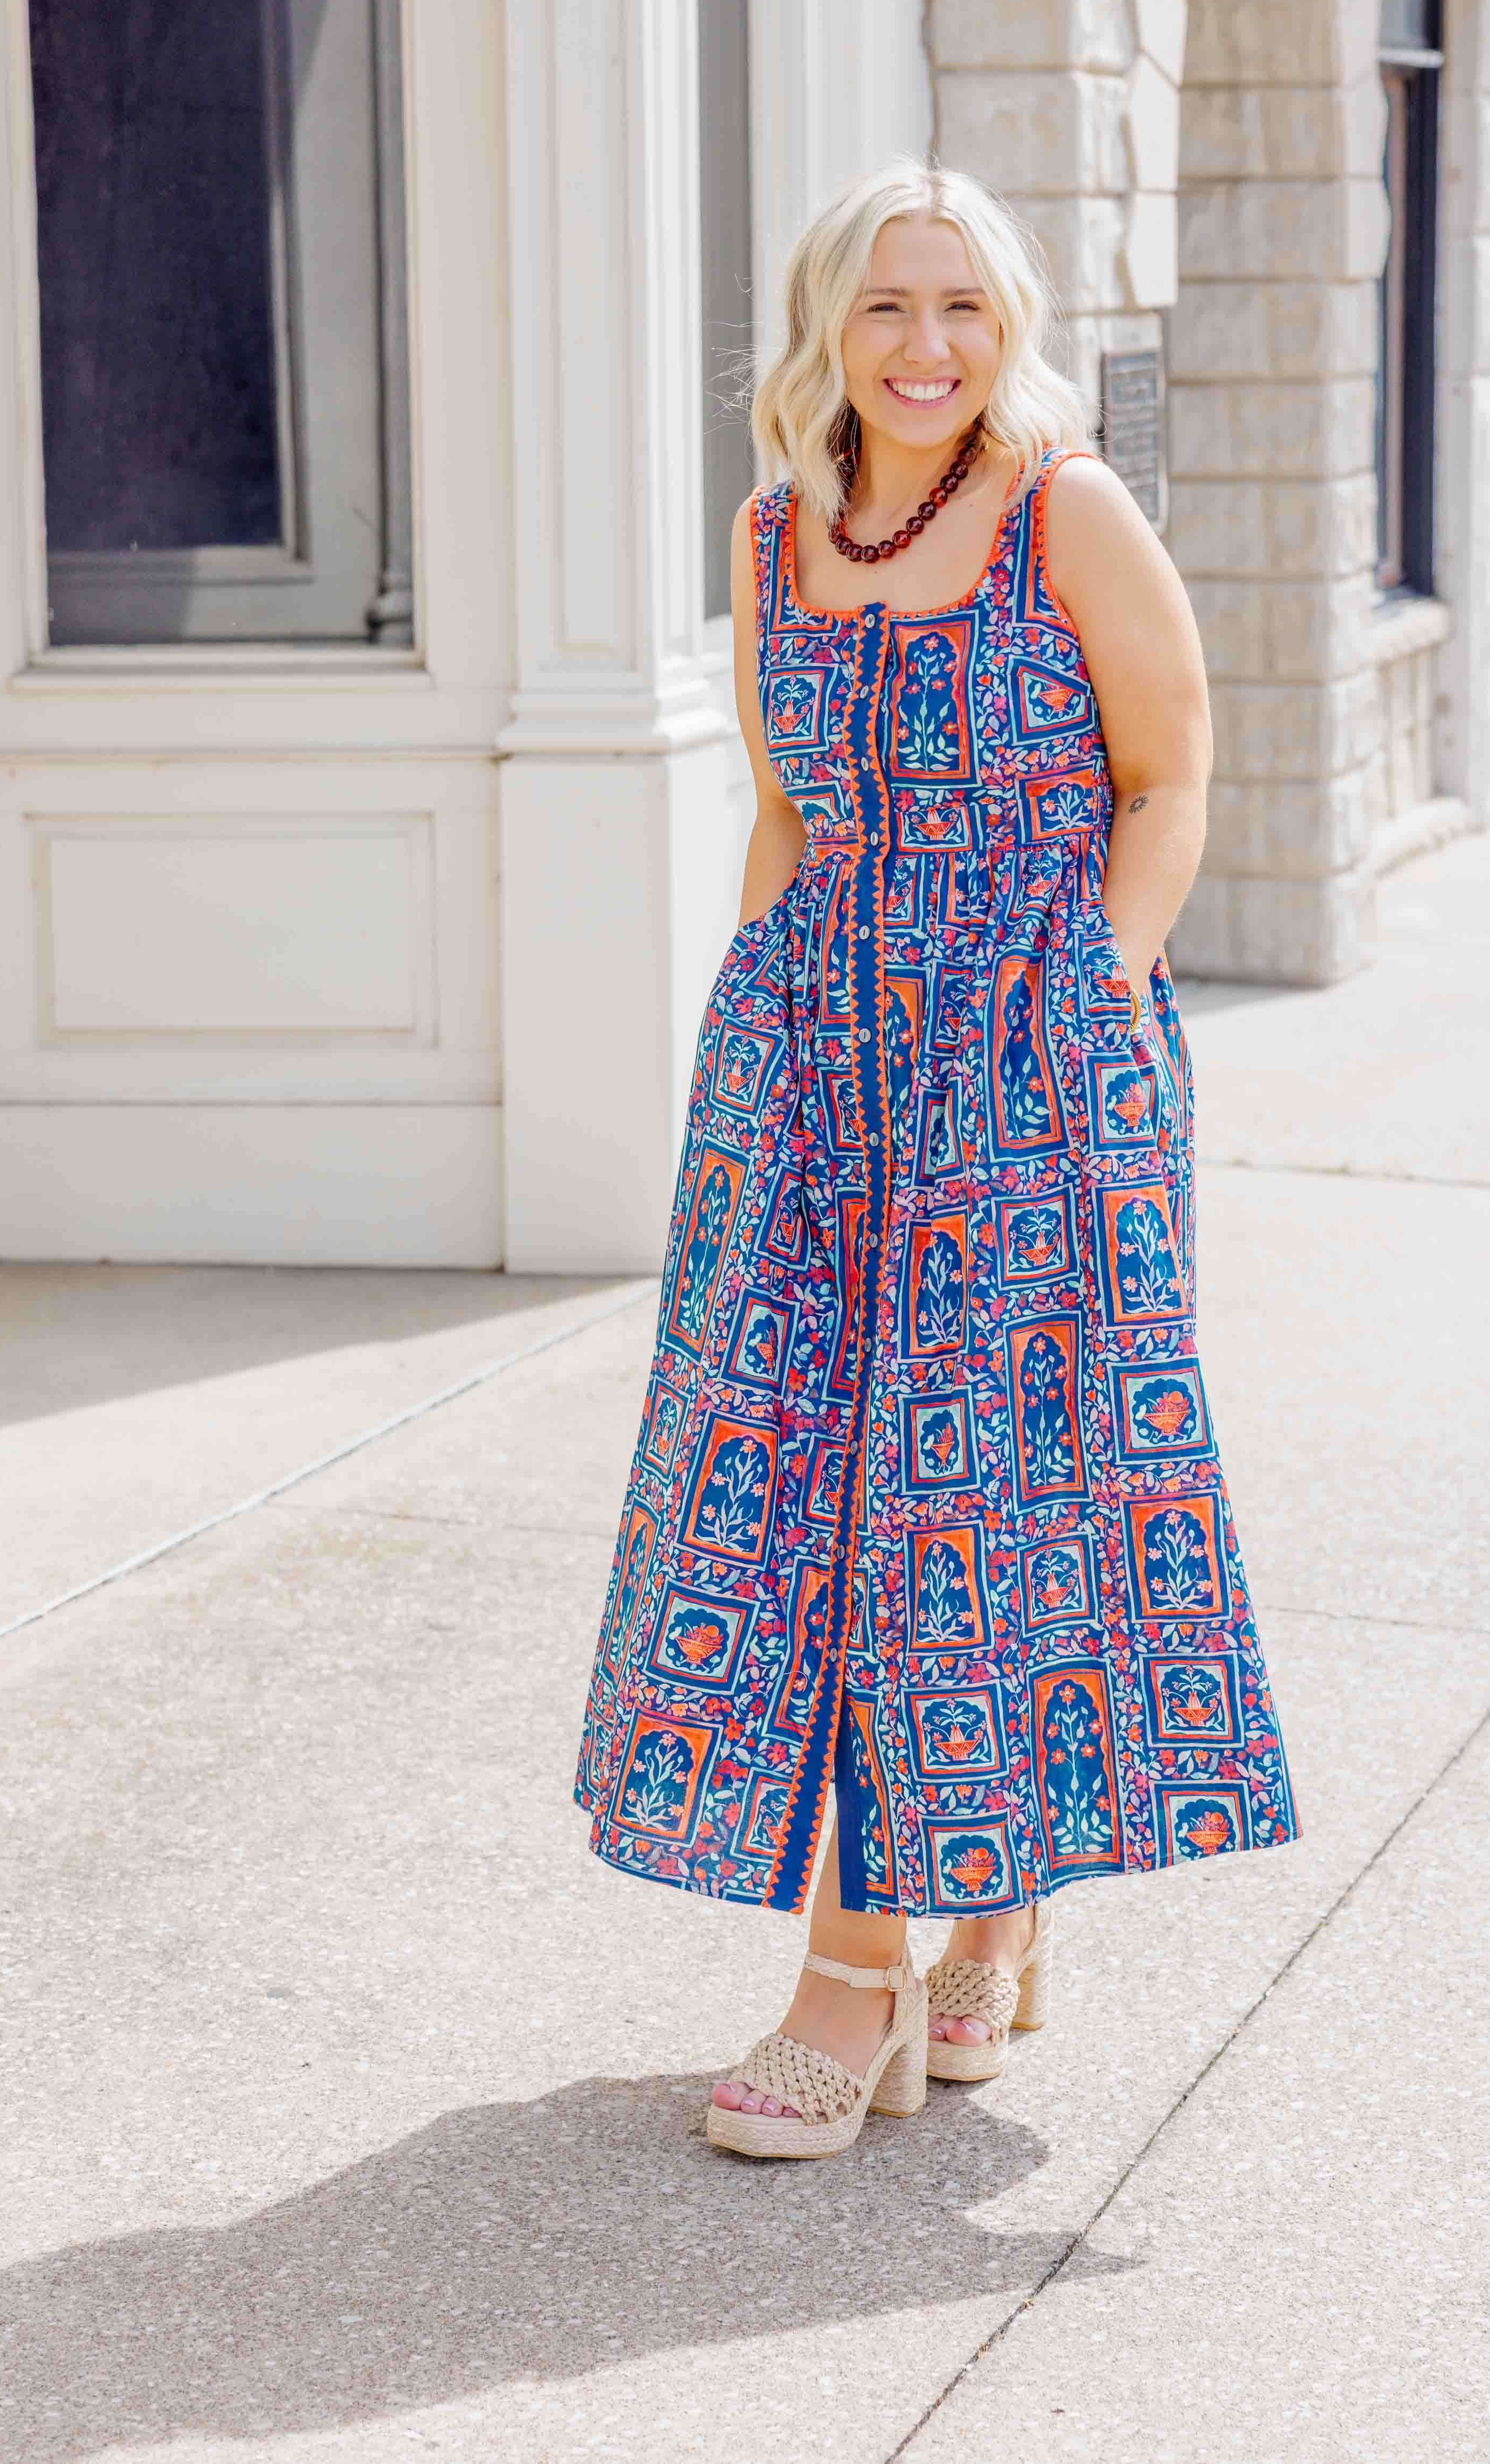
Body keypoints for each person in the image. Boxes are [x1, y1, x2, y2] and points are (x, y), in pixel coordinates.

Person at [574, 159, 1298, 2160]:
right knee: (796, 1506)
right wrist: (740, 1052)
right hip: (811, 1075)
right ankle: (984, 1915)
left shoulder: (1069, 509)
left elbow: (1169, 778)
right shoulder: (771, 530)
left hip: (1032, 1078)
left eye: (962, 306)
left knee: (975, 1506)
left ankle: (863, 1970)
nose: (925, 346)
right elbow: (785, 808)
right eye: (887, 305)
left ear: (1009, 327)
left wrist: (1083, 1005)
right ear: (827, 324)